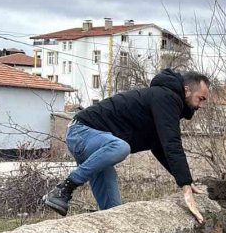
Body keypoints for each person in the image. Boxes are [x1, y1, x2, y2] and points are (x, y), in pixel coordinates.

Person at [43, 68, 211, 223]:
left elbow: (161, 146)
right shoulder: (166, 97)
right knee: (121, 147)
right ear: (187, 90)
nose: (201, 106)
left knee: (114, 213)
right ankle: (64, 188)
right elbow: (172, 142)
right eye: (200, 99)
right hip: (82, 132)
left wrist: (185, 181)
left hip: (98, 146)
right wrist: (186, 188)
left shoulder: (165, 105)